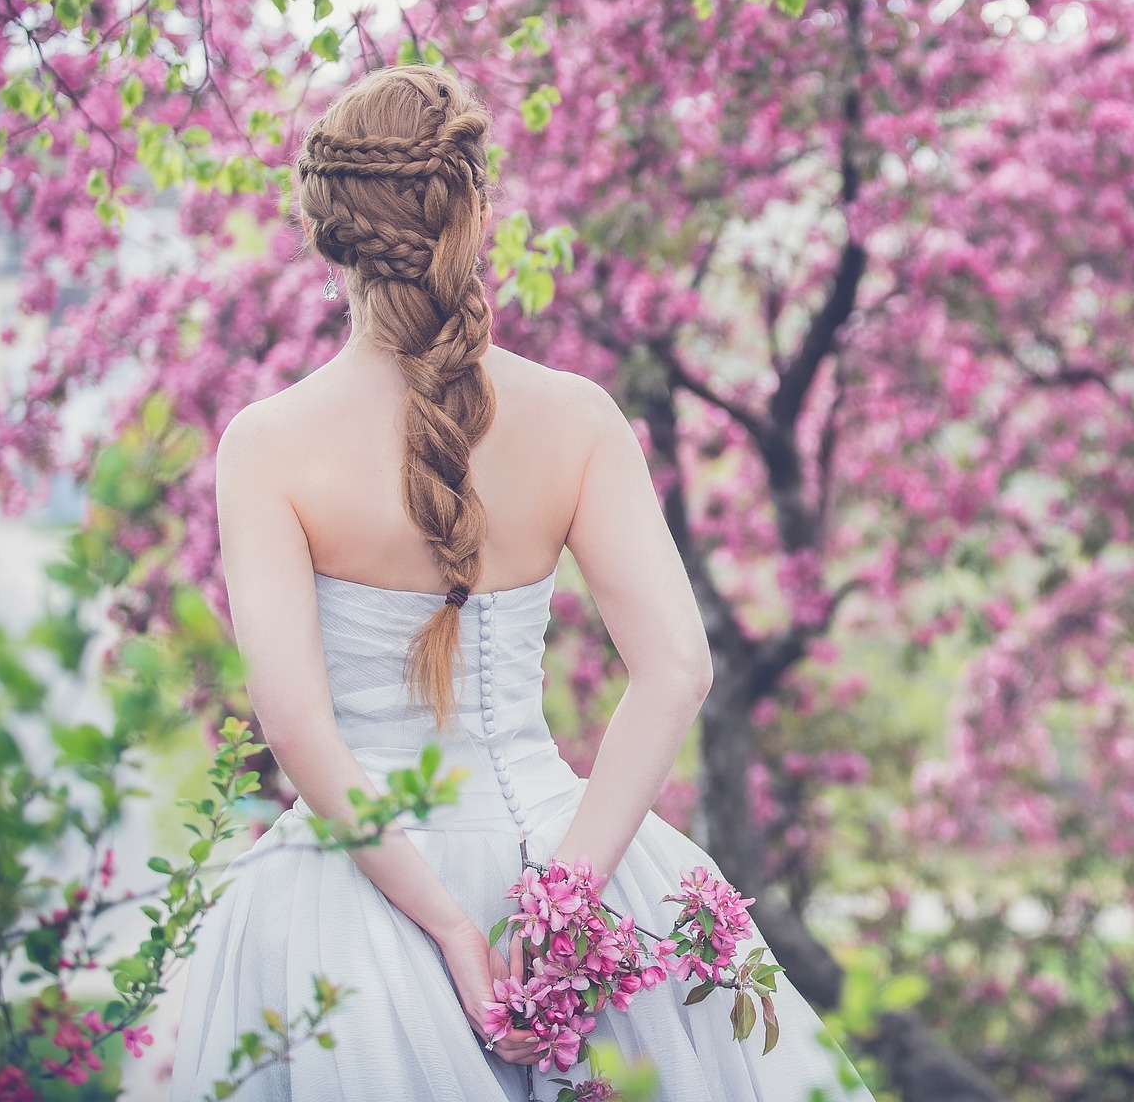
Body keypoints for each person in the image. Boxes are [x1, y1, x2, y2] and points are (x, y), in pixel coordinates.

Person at [167, 64, 871, 1101]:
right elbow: (676, 666)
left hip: (353, 899)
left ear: (325, 229)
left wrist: (448, 925)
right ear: (475, 213)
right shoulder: (578, 415)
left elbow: (294, 720)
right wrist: (573, 895)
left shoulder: (266, 444)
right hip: (570, 847)